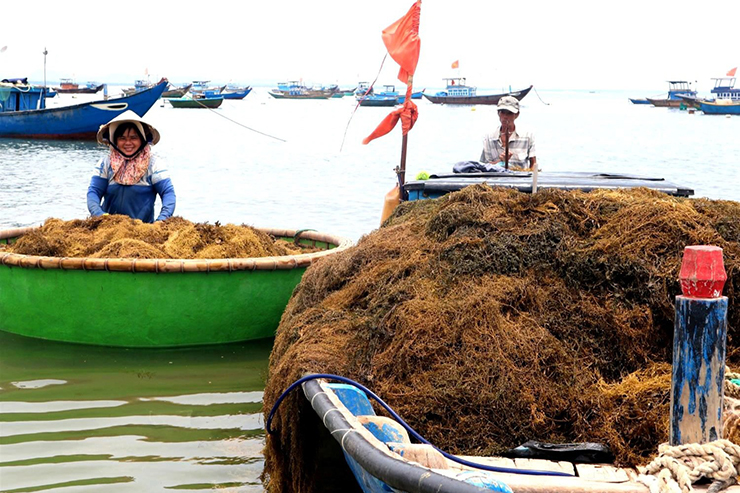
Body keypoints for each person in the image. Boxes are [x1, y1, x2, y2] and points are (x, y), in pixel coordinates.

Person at [87, 111, 175, 223]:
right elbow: (94, 192)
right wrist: (99, 215)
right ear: (115, 141)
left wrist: (162, 220)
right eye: (122, 138)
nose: (128, 143)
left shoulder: (153, 164)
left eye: (134, 138)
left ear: (142, 140)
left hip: (143, 229)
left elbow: (168, 193)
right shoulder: (105, 163)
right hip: (109, 227)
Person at [480, 95, 537, 171]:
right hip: (496, 180)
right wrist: (501, 161)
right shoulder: (489, 138)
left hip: (520, 180)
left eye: (509, 113)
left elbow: (533, 163)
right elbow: (485, 166)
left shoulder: (527, 136)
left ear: (516, 115)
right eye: (502, 112)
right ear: (498, 113)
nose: (505, 117)